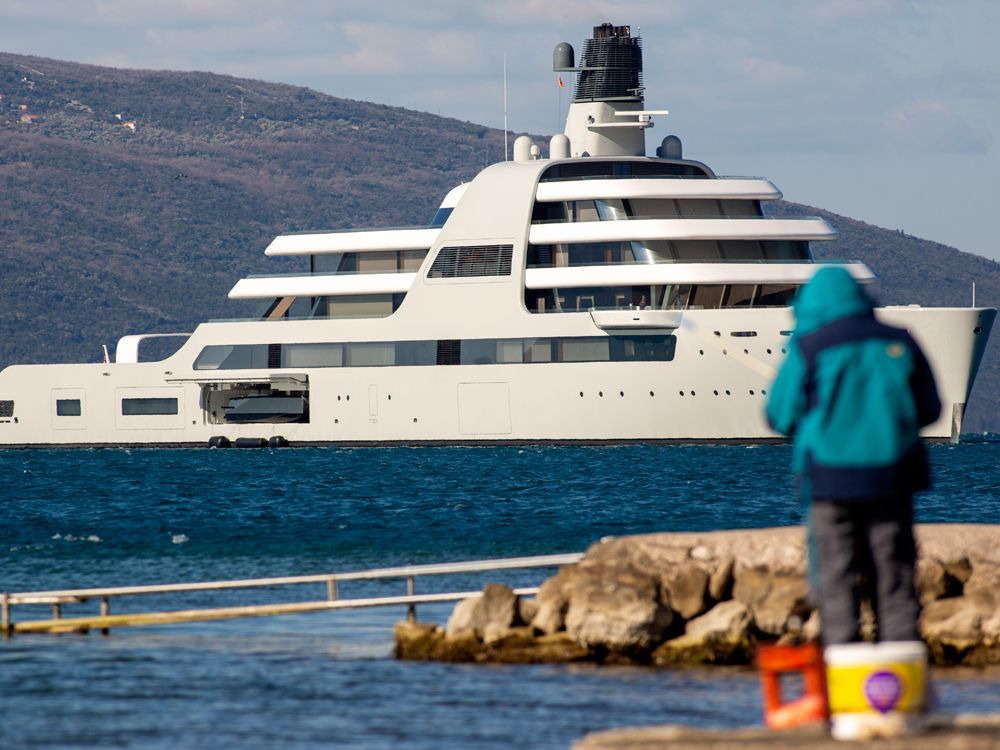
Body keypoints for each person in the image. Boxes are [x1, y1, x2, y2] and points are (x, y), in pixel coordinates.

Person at [765, 267, 941, 645]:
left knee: (835, 582)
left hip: (830, 481)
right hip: (893, 479)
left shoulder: (810, 346)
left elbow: (779, 414)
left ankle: (844, 684)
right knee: (895, 581)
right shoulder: (900, 340)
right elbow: (930, 410)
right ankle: (900, 686)